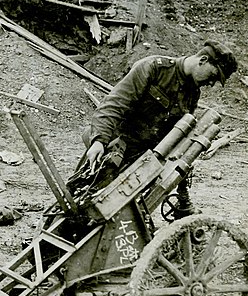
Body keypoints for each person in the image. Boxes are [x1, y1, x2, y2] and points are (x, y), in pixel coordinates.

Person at [80, 40, 238, 218]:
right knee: (86, 204)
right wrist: (99, 141)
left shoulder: (193, 92)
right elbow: (114, 105)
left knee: (121, 214)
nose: (212, 83)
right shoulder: (154, 68)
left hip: (144, 160)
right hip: (116, 149)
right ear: (202, 60)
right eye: (214, 75)